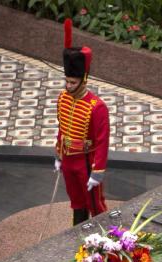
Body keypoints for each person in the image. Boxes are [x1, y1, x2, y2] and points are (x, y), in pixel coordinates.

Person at [54, 19, 109, 225]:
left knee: (95, 204)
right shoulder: (62, 98)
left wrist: (98, 171)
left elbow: (103, 141)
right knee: (76, 201)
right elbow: (62, 127)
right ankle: (78, 232)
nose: (68, 86)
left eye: (73, 82)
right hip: (68, 158)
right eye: (67, 81)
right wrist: (59, 154)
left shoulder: (97, 106)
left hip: (86, 160)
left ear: (84, 79)